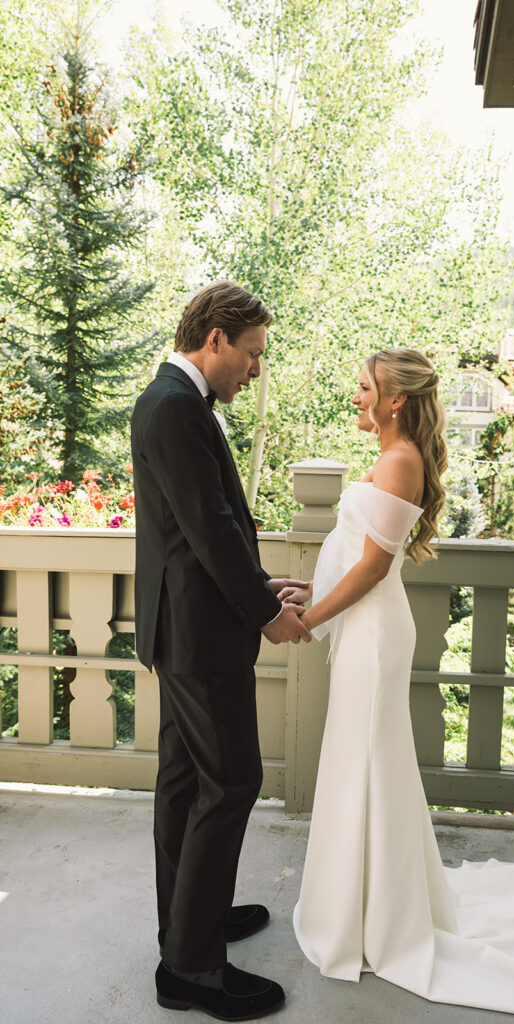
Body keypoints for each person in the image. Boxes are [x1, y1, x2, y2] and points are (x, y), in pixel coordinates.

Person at [284, 348, 514, 1022]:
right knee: (362, 762)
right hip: (363, 629)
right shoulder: (392, 456)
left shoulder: (399, 458)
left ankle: (378, 917)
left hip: (373, 634)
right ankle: (363, 902)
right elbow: (355, 552)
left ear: (395, 401)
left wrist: (306, 620)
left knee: (367, 764)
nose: (354, 398)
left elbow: (374, 570)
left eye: (363, 389)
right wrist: (308, 589)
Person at [131, 280, 311, 1021]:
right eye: (251, 353)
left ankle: (188, 920)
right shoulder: (174, 406)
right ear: (215, 340)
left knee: (185, 781)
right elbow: (206, 527)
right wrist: (266, 611)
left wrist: (259, 580)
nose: (254, 369)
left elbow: (198, 531)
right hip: (200, 637)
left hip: (186, 626)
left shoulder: (170, 401)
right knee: (232, 780)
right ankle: (192, 970)